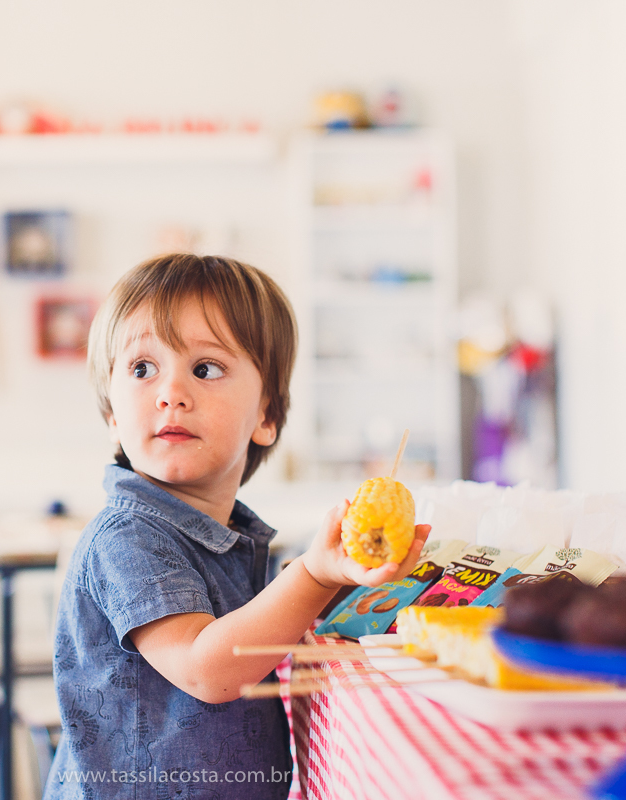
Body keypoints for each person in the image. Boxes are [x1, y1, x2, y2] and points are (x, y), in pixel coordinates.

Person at [44, 253, 431, 799]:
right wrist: (314, 578)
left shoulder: (228, 535)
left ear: (266, 417)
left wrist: (347, 578)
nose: (171, 392)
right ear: (112, 414)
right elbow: (210, 669)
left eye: (205, 369)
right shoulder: (129, 536)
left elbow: (256, 630)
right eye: (141, 369)